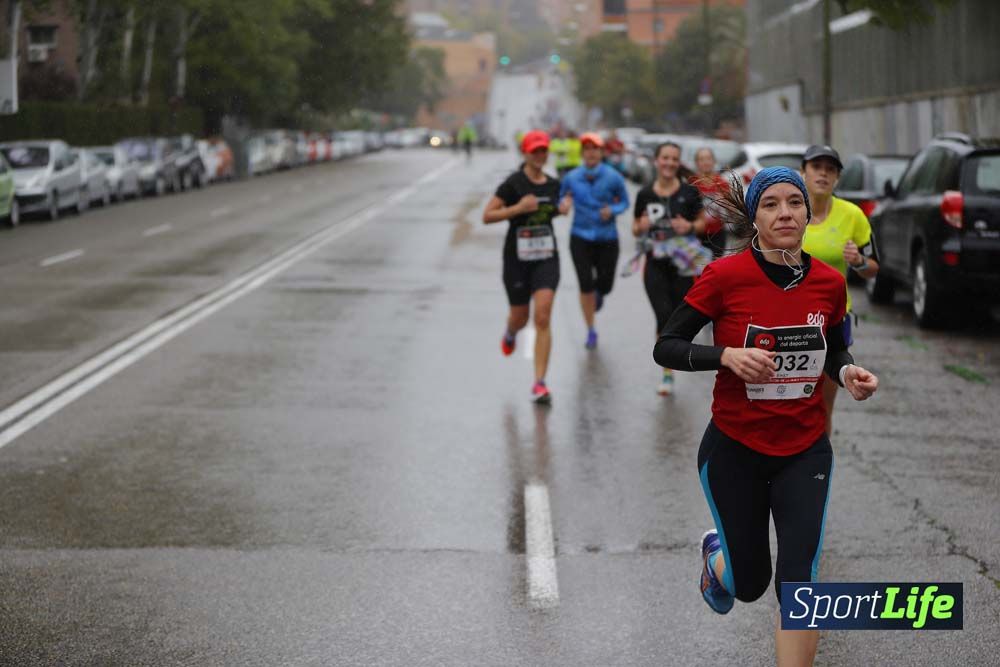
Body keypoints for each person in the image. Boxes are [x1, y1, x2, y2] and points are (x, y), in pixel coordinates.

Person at [653, 167, 879, 667]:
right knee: (749, 584)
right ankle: (717, 560)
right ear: (754, 217)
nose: (785, 213)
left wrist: (847, 375)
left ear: (807, 212)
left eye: (794, 203)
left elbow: (835, 351)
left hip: (804, 449)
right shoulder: (725, 276)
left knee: (799, 581)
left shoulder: (826, 282)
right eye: (771, 204)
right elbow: (666, 347)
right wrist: (726, 356)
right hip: (734, 449)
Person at [483, 130, 571, 404]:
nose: (540, 155)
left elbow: (552, 209)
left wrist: (563, 208)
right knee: (520, 317)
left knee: (543, 315)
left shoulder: (554, 184)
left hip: (546, 257)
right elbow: (487, 215)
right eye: (535, 151)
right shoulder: (513, 184)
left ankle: (540, 383)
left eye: (543, 150)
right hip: (516, 260)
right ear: (525, 153)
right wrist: (517, 208)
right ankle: (510, 333)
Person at [799, 145, 880, 436]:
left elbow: (873, 266)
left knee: (821, 404)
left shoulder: (852, 215)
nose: (823, 173)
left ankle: (818, 470)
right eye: (816, 166)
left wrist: (858, 261)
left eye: (830, 169)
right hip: (789, 319)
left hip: (832, 321)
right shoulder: (789, 211)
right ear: (803, 172)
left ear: (837, 177)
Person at [633, 142, 709, 395]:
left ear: (679, 163)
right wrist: (641, 226)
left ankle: (670, 358)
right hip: (655, 265)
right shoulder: (645, 194)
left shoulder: (689, 192)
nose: (669, 163)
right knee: (663, 315)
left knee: (677, 315)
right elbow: (635, 228)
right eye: (665, 158)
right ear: (656, 161)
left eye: (674, 159)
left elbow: (702, 223)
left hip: (684, 265)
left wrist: (688, 227)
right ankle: (667, 372)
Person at [559, 132, 630, 349]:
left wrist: (613, 209)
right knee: (585, 285)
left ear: (601, 153)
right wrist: (563, 205)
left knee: (605, 285)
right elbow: (561, 198)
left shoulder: (613, 177)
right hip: (580, 236)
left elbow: (625, 202)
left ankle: (600, 294)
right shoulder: (571, 177)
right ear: (582, 153)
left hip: (607, 237)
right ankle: (590, 330)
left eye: (595, 149)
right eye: (586, 149)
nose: (590, 153)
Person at [690, 147, 730, 258]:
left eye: (708, 158)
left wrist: (725, 203)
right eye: (701, 159)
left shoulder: (722, 184)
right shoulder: (691, 184)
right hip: (696, 235)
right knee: (698, 270)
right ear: (696, 163)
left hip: (717, 234)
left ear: (714, 161)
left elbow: (732, 212)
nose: (705, 162)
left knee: (715, 268)